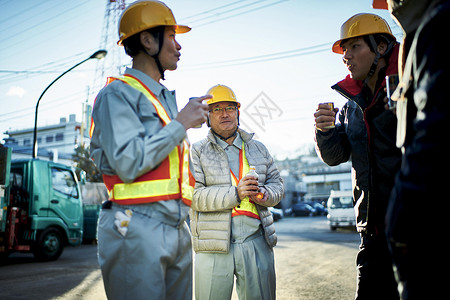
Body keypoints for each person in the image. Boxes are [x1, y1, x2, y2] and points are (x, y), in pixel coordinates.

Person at [89, 1, 210, 299]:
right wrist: (180, 123)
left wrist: (180, 122)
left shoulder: (162, 100)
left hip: (177, 225)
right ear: (147, 40)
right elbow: (128, 163)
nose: (178, 45)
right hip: (134, 225)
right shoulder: (116, 94)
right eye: (171, 35)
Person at [313, 13, 402, 299]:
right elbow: (335, 156)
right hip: (371, 231)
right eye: (344, 50)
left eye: (355, 47)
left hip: (411, 225)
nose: (346, 56)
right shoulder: (351, 106)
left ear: (381, 48)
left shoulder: (408, 86)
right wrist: (324, 130)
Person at [372, 0, 450, 299]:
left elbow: (436, 136)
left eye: (354, 47)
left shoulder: (440, 26)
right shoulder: (417, 39)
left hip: (427, 229)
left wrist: (402, 219)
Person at [190, 84, 284, 300]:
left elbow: (278, 186)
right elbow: (195, 197)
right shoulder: (197, 151)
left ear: (238, 113)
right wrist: (236, 193)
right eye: (217, 109)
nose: (225, 114)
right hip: (212, 246)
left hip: (256, 241)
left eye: (230, 108)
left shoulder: (258, 148)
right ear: (207, 117)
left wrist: (264, 194)